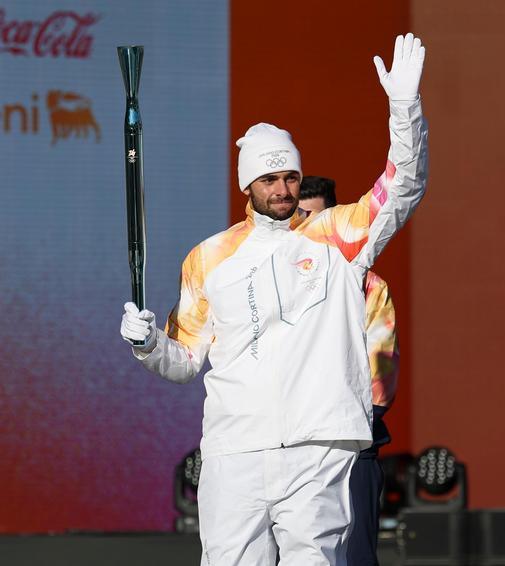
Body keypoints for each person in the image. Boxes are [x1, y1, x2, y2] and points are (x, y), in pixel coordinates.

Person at [119, 34, 427, 566]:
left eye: (290, 177)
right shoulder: (209, 258)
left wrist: (405, 109)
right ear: (248, 184)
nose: (283, 189)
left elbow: (403, 186)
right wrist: (148, 345)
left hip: (318, 444)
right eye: (269, 179)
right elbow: (185, 359)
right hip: (234, 449)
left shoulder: (337, 237)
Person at [299, 176, 399, 565]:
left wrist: (338, 422)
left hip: (351, 445)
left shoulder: (369, 287)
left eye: (316, 217)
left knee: (354, 557)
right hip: (290, 447)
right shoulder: (271, 284)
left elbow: (380, 377)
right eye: (299, 217)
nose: (307, 227)